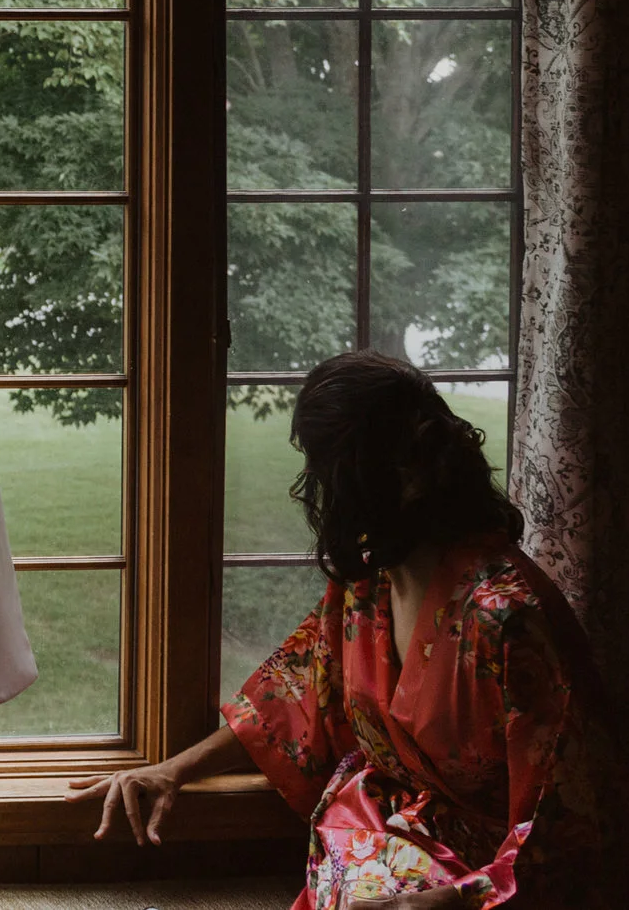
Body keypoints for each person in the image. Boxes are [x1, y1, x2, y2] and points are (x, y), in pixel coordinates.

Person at [69, 350, 601, 909]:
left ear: (387, 474)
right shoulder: (365, 588)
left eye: (324, 471)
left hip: (490, 884)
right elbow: (288, 700)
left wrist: (444, 902)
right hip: (376, 836)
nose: (315, 493)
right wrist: (172, 771)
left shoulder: (507, 619)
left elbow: (567, 828)